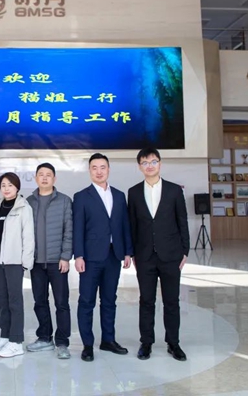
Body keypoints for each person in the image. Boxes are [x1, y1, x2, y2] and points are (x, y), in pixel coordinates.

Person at [127, 147, 190, 362]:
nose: (150, 166)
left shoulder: (174, 190)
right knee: (146, 300)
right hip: (145, 256)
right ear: (139, 167)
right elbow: (132, 225)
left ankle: (174, 343)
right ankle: (146, 343)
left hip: (171, 254)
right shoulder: (134, 192)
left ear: (160, 164)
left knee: (172, 301)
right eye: (145, 163)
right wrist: (132, 253)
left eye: (153, 161)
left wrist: (185, 250)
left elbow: (182, 221)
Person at [73, 153, 132, 362]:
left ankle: (108, 340)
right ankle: (87, 345)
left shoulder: (119, 195)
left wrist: (127, 251)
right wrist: (78, 255)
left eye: (102, 167)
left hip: (114, 256)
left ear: (108, 169)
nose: (99, 171)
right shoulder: (81, 196)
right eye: (94, 168)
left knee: (109, 300)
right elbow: (78, 228)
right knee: (86, 301)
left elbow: (124, 225)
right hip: (90, 258)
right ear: (89, 171)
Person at [25, 162, 73, 360]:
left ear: (54, 178)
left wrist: (65, 256)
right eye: (41, 174)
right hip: (36, 262)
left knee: (61, 303)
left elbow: (69, 230)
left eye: (48, 175)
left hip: (57, 261)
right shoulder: (28, 201)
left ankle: (62, 342)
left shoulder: (64, 201)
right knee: (40, 301)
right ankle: (45, 337)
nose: (44, 178)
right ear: (36, 178)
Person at [0, 172, 35, 358]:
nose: (6, 189)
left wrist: (26, 262)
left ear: (17, 187)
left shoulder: (24, 208)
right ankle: (5, 336)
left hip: (15, 261)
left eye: (10, 185)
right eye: (3, 185)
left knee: (15, 301)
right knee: (3, 299)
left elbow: (28, 237)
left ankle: (16, 341)